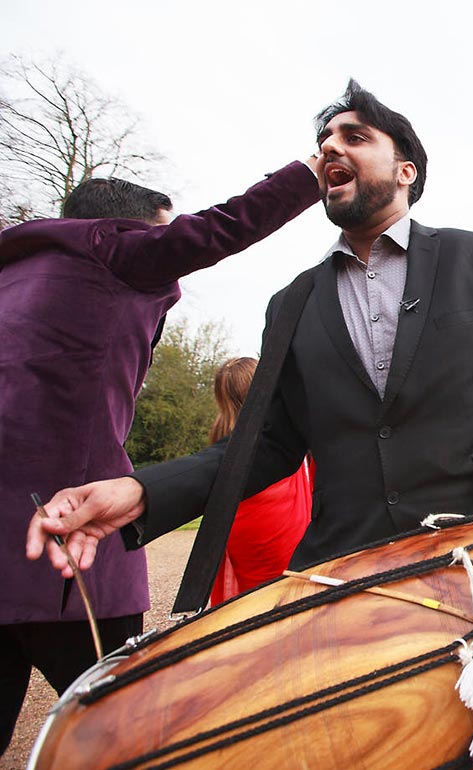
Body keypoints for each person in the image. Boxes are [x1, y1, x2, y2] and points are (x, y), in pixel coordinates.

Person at [29, 80, 473, 615]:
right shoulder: (290, 303)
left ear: (405, 170)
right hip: (344, 573)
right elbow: (268, 445)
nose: (330, 149)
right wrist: (139, 490)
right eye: (325, 140)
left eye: (355, 136)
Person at [1, 159, 320, 755]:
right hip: (70, 532)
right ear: (132, 226)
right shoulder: (116, 251)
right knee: (130, 735)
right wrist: (314, 168)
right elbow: (226, 226)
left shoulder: (15, 269)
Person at [208, 357, 312, 605]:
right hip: (281, 535)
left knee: (255, 600)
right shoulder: (280, 442)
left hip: (244, 539)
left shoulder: (221, 442)